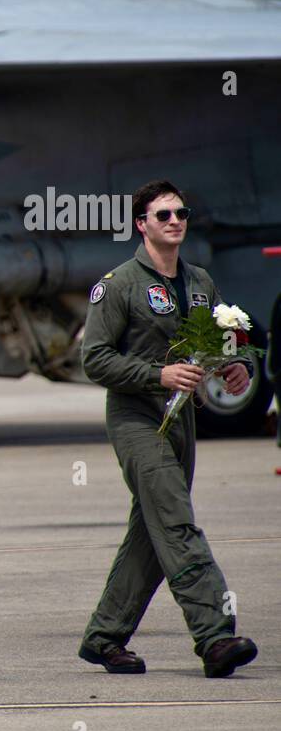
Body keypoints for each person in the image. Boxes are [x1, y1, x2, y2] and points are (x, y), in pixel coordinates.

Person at [79, 180, 256, 678]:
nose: (175, 221)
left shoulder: (199, 281)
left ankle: (105, 635)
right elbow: (93, 360)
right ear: (142, 225)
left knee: (151, 530)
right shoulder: (117, 285)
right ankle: (215, 634)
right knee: (176, 521)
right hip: (138, 419)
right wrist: (157, 375)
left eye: (181, 212)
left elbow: (221, 340)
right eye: (163, 215)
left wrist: (234, 363)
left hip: (183, 420)